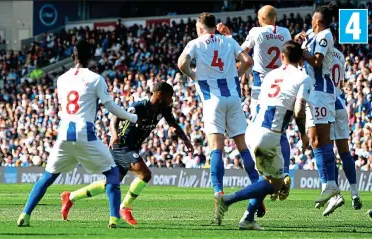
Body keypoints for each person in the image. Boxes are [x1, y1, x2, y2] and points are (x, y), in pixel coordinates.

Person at [16, 40, 139, 229]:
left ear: (73, 55)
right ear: (91, 57)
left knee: (47, 177)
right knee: (113, 174)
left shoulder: (61, 79)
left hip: (64, 134)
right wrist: (131, 117)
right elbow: (110, 106)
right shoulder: (96, 79)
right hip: (85, 133)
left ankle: (25, 214)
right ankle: (114, 218)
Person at [60, 82, 194, 225]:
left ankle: (70, 197)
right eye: (170, 96)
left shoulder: (164, 109)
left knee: (109, 184)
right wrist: (114, 135)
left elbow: (174, 125)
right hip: (121, 146)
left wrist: (186, 140)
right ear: (160, 94)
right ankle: (125, 207)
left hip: (131, 148)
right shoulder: (139, 107)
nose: (172, 100)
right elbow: (115, 118)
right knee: (145, 174)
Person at [215, 40, 312, 230]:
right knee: (275, 185)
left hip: (252, 129)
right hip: (269, 134)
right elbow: (299, 111)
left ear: (282, 57)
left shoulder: (271, 75)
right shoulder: (303, 78)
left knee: (265, 180)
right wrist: (303, 134)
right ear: (301, 59)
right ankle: (227, 200)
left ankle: (248, 219)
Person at [177, 12, 257, 225]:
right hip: (233, 98)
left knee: (216, 149)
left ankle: (218, 194)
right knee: (242, 147)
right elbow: (248, 60)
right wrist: (237, 75)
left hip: (213, 101)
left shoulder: (196, 43)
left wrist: (192, 75)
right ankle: (258, 190)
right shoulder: (228, 41)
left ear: (200, 27)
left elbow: (181, 63)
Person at [295, 6, 339, 204]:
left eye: (313, 18)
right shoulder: (314, 34)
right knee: (314, 141)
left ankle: (331, 185)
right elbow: (303, 49)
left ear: (318, 21)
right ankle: (327, 187)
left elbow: (317, 61)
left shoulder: (325, 36)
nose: (310, 21)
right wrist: (298, 41)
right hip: (314, 91)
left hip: (322, 91)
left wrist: (302, 53)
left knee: (322, 139)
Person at [321, 27, 362, 216]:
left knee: (328, 151)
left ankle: (333, 194)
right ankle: (354, 193)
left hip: (328, 102)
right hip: (340, 103)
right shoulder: (340, 55)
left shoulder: (324, 51)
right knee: (345, 152)